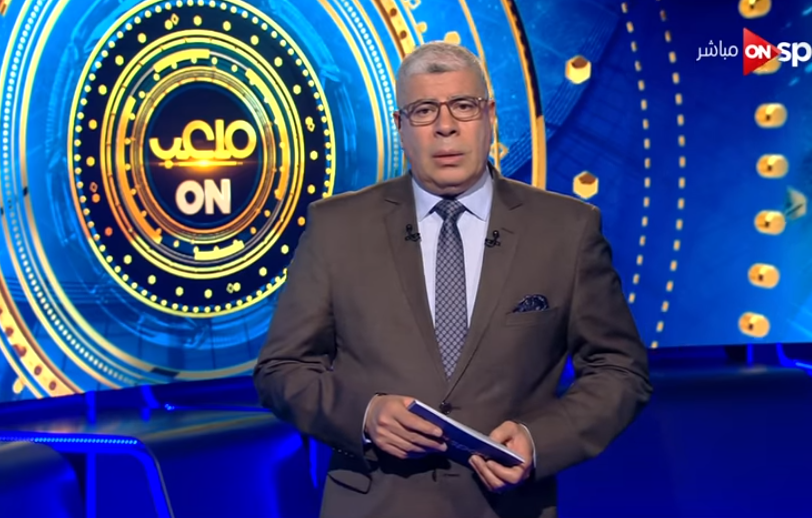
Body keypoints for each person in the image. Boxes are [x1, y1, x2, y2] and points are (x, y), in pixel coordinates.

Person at [253, 41, 652, 518]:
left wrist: (540, 440)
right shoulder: (337, 228)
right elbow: (281, 370)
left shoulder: (566, 230)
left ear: (490, 116)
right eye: (424, 110)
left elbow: (619, 369)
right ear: (400, 127)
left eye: (463, 105)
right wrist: (363, 414)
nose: (446, 126)